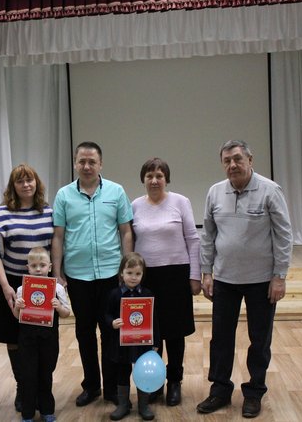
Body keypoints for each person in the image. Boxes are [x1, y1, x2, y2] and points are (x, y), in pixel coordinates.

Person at [196, 140, 292, 418]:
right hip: (225, 279)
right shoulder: (215, 192)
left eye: (238, 159)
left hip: (261, 281)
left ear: (250, 160)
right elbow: (208, 235)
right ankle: (220, 391)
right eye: (227, 160)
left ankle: (254, 393)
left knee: (259, 340)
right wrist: (206, 272)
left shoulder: (270, 190)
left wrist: (279, 276)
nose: (232, 165)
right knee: (221, 339)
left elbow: (284, 235)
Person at [51, 141, 134, 406]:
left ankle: (111, 388)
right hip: (78, 276)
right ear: (75, 163)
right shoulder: (64, 195)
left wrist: (125, 268)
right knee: (84, 332)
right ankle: (91, 386)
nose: (87, 166)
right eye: (82, 161)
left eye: (92, 162)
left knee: (110, 331)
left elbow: (126, 231)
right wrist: (57, 273)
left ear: (101, 164)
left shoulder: (116, 191)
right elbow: (58, 236)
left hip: (110, 274)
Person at [131, 157, 201, 406]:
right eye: (149, 176)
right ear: (143, 179)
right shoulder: (135, 205)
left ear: (166, 179)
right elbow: (131, 242)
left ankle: (174, 382)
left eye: (159, 176)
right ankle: (155, 382)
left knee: (174, 333)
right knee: (150, 334)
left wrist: (195, 275)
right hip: (147, 278)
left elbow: (193, 239)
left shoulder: (181, 202)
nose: (154, 180)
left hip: (176, 276)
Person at [0, 164, 54, 413]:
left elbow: (56, 245)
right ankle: (23, 387)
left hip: (43, 285)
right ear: (12, 186)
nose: (26, 185)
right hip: (11, 282)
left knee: (42, 339)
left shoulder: (48, 211)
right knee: (14, 338)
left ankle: (41, 389)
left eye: (30, 180)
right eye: (20, 181)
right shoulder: (1, 213)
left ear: (37, 183)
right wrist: (5, 287)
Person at [13, 247, 71, 422]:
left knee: (46, 374)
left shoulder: (58, 289)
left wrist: (58, 307)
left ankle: (47, 410)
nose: (38, 269)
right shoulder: (22, 289)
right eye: (34, 266)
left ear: (50, 267)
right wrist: (18, 307)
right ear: (28, 268)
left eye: (42, 265)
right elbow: (16, 316)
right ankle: (27, 414)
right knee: (28, 376)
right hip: (27, 340)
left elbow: (66, 313)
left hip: (49, 339)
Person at [104, 252, 160, 421]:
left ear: (143, 274)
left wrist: (156, 343)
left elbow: (154, 321)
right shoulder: (114, 294)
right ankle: (123, 404)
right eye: (129, 273)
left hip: (143, 344)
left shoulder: (148, 295)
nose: (133, 277)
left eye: (138, 273)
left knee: (143, 373)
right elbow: (106, 314)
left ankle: (143, 405)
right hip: (121, 343)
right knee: (122, 372)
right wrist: (112, 322)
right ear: (121, 273)